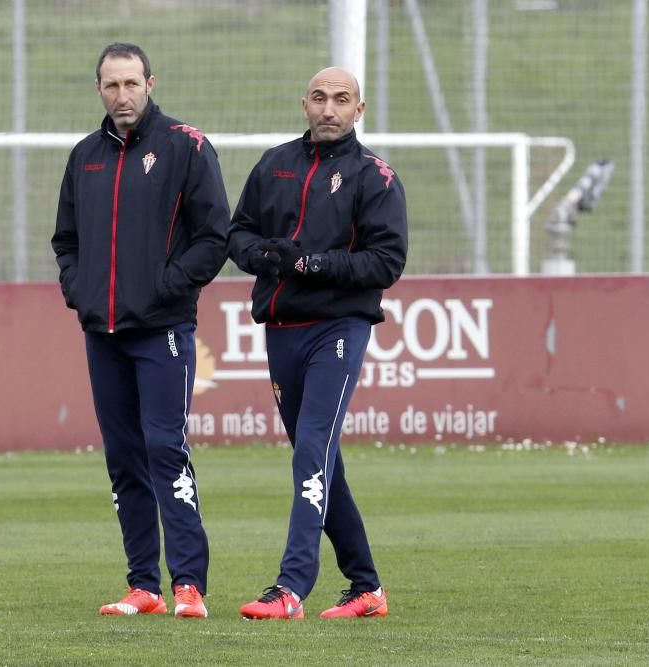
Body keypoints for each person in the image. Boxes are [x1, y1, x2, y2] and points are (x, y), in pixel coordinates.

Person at [52, 43, 229, 618]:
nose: (122, 95)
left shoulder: (186, 146)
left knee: (164, 449)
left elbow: (213, 237)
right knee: (123, 456)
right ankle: (143, 585)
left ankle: (188, 585)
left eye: (131, 84)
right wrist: (79, 292)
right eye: (111, 85)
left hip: (164, 330)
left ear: (150, 83)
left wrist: (165, 288)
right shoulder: (84, 157)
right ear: (98, 89)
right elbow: (67, 241)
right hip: (101, 333)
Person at [228, 67, 407, 619]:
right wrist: (263, 257)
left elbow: (386, 261)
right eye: (320, 99)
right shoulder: (273, 163)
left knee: (311, 449)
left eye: (342, 100)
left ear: (360, 109)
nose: (330, 109)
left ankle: (290, 588)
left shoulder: (375, 176)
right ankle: (367, 587)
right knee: (322, 458)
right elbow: (238, 234)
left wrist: (307, 262)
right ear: (304, 104)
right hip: (281, 332)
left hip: (338, 329)